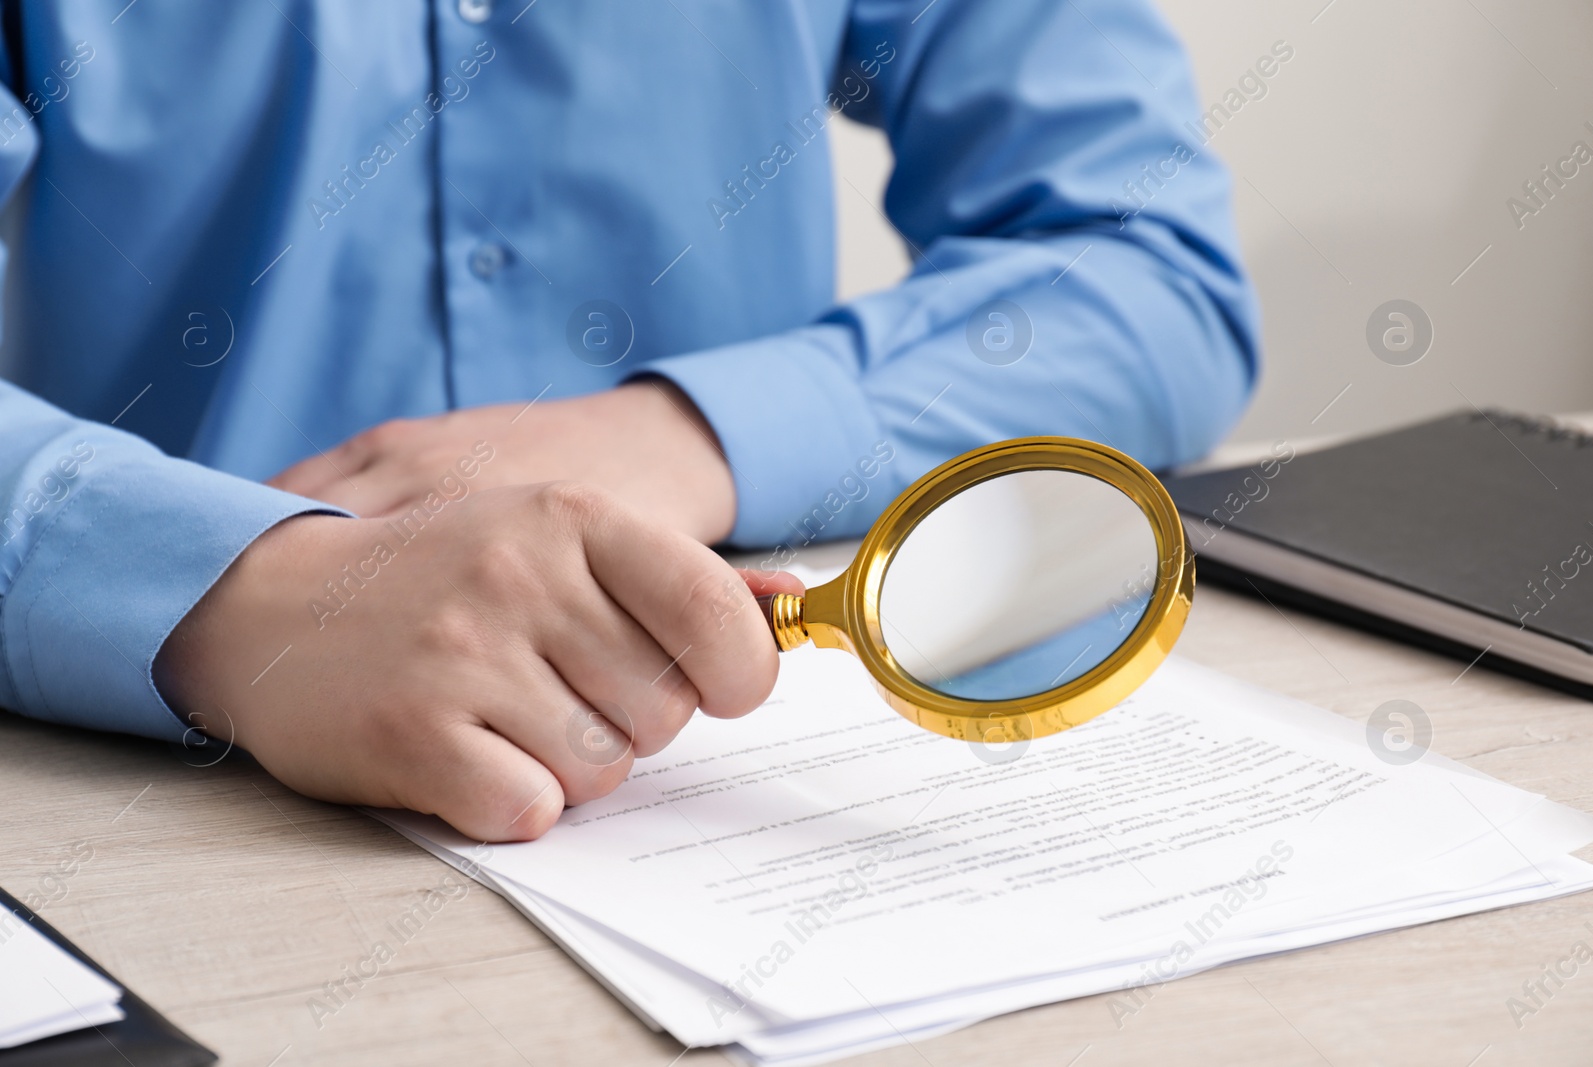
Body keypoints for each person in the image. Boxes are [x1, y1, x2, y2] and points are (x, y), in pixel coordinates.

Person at [0, 0, 1256, 841]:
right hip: (163, 795)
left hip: (694, 753)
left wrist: (689, 435)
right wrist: (243, 598)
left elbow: (1146, 262)